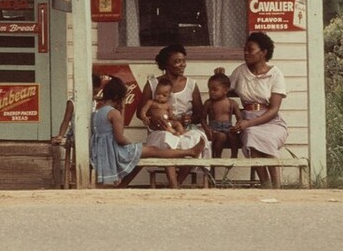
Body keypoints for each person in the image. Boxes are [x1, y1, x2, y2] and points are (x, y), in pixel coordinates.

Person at [92, 76, 205, 188]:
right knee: (155, 150)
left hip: (103, 151)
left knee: (142, 153)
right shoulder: (114, 113)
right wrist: (122, 110)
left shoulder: (97, 112)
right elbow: (120, 138)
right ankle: (190, 152)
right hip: (114, 151)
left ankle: (123, 184)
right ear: (118, 97)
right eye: (123, 99)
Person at [138, 44, 209, 185]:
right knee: (166, 139)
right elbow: (140, 113)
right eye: (177, 61)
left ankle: (177, 183)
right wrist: (153, 119)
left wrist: (189, 119)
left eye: (183, 61)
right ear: (166, 64)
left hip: (184, 128)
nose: (182, 65)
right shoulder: (152, 84)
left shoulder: (191, 84)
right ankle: (173, 184)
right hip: (160, 129)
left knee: (197, 138)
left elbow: (199, 114)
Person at [227, 31, 288, 188]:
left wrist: (248, 123)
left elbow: (274, 110)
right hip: (248, 120)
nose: (246, 53)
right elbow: (223, 90)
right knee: (252, 138)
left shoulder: (275, 74)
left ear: (264, 52)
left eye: (250, 49)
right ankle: (266, 185)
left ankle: (277, 186)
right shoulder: (240, 72)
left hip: (272, 122)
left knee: (266, 139)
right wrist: (220, 77)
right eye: (245, 49)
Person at [203, 72, 243, 158]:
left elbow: (239, 118)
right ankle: (217, 157)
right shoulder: (208, 103)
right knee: (221, 137)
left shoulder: (232, 103)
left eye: (215, 89)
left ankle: (234, 156)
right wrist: (207, 129)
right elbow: (202, 119)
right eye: (209, 89)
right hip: (214, 129)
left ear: (225, 90)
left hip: (228, 127)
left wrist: (237, 126)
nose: (211, 92)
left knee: (234, 136)